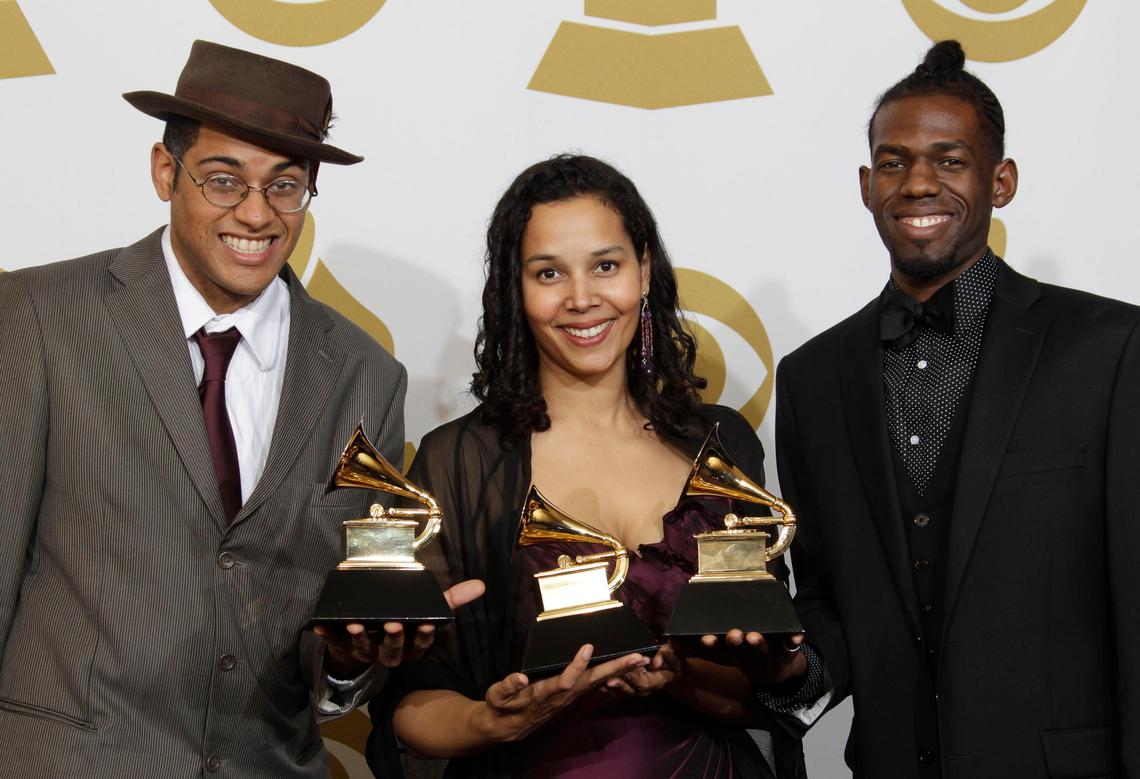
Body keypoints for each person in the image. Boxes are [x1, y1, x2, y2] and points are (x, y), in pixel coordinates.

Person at [0, 40, 480, 777]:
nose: (256, 214)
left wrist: (353, 658)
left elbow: (332, 645)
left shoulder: (366, 375)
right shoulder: (37, 315)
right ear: (167, 172)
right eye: (224, 180)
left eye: (285, 186)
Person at [366, 154, 811, 778]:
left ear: (645, 270)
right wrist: (493, 721)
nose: (582, 299)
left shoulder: (723, 445)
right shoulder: (462, 464)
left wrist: (681, 679)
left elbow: (778, 687)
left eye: (606, 266)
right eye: (549, 273)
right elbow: (409, 706)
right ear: (515, 290)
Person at [775, 40, 1140, 778]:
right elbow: (825, 599)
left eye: (948, 159)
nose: (916, 183)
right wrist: (790, 668)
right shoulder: (811, 378)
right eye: (893, 161)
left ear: (1000, 180)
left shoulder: (1109, 349)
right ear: (864, 184)